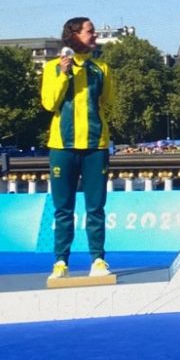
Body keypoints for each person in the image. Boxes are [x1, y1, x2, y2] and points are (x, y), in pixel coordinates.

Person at [41, 17, 114, 279]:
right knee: (63, 209)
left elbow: (108, 100)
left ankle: (98, 260)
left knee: (96, 207)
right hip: (62, 145)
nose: (94, 36)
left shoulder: (101, 67)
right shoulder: (52, 67)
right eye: (90, 32)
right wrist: (64, 75)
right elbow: (49, 103)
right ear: (73, 35)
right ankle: (61, 262)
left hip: (96, 145)